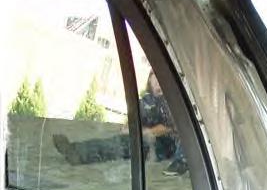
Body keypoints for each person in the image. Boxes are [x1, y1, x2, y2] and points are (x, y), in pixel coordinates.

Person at [52, 72, 187, 175]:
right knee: (115, 143)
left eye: (161, 79)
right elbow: (132, 122)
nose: (158, 82)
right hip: (144, 140)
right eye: (155, 76)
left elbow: (168, 127)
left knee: (122, 146)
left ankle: (77, 153)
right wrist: (129, 129)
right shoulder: (146, 101)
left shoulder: (171, 102)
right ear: (150, 79)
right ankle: (75, 151)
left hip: (162, 145)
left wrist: (142, 132)